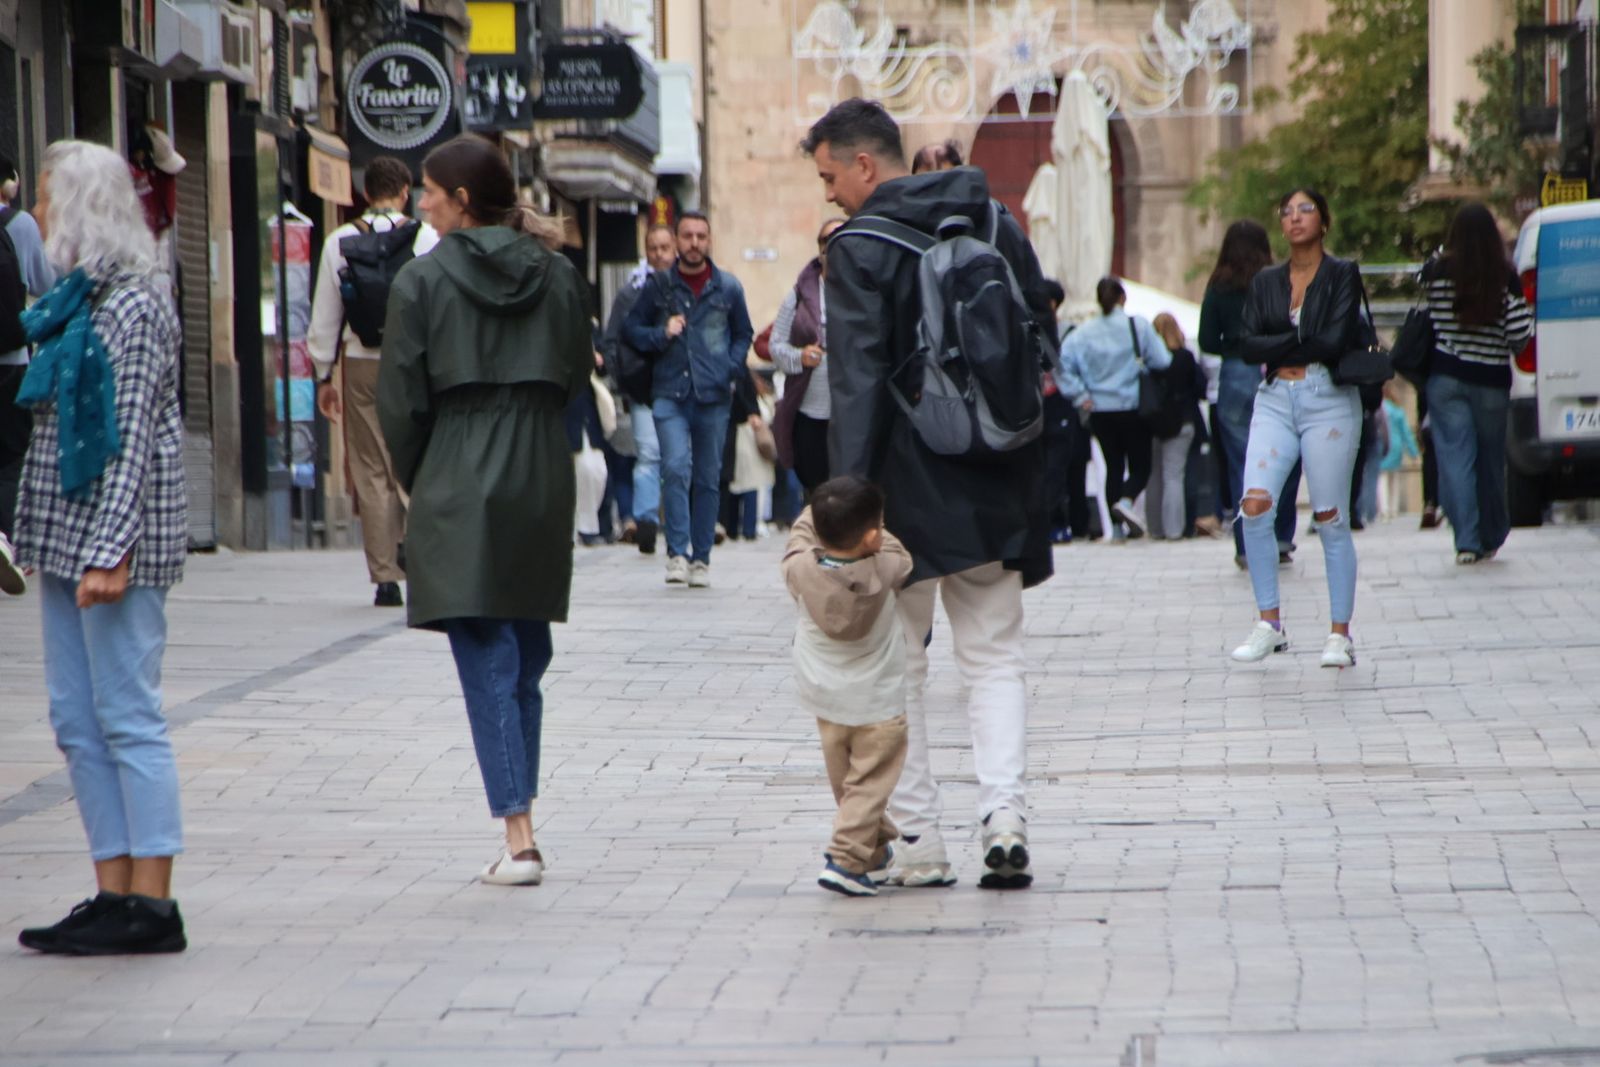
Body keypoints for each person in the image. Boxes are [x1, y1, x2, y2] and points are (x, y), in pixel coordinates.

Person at [803, 98, 1058, 889]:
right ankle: (1005, 815)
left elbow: (858, 389)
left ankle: (920, 840)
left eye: (830, 176)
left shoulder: (860, 247)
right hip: (997, 474)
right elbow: (1040, 340)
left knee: (897, 666)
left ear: (865, 166)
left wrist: (845, 514)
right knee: (995, 656)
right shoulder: (992, 218)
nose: (829, 195)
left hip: (902, 495)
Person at [377, 134, 591, 886]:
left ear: (462, 200)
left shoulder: (421, 281)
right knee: (526, 655)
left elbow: (399, 402)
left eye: (430, 190)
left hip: (460, 468)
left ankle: (519, 834)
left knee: (488, 657)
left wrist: (419, 477)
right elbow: (571, 381)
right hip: (539, 468)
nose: (420, 200)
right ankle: (521, 822)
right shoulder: (559, 276)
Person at [13, 141, 188, 954]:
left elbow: (134, 441)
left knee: (127, 716)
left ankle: (153, 904)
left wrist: (111, 551)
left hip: (117, 539)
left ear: (80, 208)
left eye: (48, 200)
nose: (38, 213)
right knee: (76, 721)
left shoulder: (137, 305)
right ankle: (112, 889)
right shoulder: (78, 299)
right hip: (61, 534)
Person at [1230, 187, 1365, 669]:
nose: (1294, 218)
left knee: (1329, 516)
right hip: (1275, 400)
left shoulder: (1341, 273)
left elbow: (1334, 340)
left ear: (1324, 221)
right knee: (1254, 506)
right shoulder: (1266, 281)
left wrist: (1279, 342)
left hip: (1326, 399)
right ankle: (1269, 622)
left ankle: (1339, 633)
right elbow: (1247, 345)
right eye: (1285, 211)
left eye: (1305, 209)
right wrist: (1298, 341)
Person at [307, 156, 439, 608]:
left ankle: (385, 578)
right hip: (413, 362)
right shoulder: (426, 237)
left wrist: (323, 374)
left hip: (360, 362)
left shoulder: (339, 240)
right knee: (415, 460)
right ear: (406, 192)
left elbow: (325, 316)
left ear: (365, 194)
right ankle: (422, 562)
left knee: (370, 466)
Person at [781, 476, 913, 897]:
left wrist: (821, 512)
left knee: (849, 784)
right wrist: (871, 530)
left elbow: (801, 536)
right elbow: (897, 552)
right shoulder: (887, 563)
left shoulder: (800, 568)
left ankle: (874, 852)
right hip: (878, 703)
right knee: (869, 783)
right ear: (874, 536)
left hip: (824, 695)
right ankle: (845, 858)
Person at [624, 212, 755, 589]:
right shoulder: (660, 286)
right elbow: (632, 329)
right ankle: (677, 554)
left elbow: (743, 334)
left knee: (708, 477)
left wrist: (729, 368)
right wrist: (660, 334)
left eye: (701, 236)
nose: (694, 242)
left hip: (713, 395)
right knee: (676, 467)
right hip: (670, 391)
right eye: (687, 235)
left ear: (709, 240)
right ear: (678, 241)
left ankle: (701, 558)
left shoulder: (727, 287)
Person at [1419, 202, 1533, 565]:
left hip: (1445, 377)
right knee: (1489, 461)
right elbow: (1519, 333)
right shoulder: (1505, 275)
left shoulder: (1436, 273)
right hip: (1490, 382)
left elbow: (1427, 317)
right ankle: (1491, 533)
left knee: (1454, 460)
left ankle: (1466, 539)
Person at [1199, 219, 1301, 568]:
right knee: (1285, 454)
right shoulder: (1277, 280)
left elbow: (1206, 341)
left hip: (1236, 372)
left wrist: (1235, 342)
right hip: (1274, 367)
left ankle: (1246, 545)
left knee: (1242, 462)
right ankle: (1281, 535)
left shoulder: (1219, 286)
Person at [1056, 276, 1173, 539]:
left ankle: (1117, 528)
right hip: (1133, 406)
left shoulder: (1083, 333)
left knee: (1113, 466)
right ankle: (1127, 501)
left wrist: (1079, 394)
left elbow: (1062, 366)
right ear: (1123, 298)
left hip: (1099, 408)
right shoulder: (1138, 326)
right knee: (1141, 465)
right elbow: (1163, 361)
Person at [0, 155, 59, 589]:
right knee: (11, 455)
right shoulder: (20, 225)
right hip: (11, 358)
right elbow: (44, 283)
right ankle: (9, 541)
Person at [601, 223, 677, 554]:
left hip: (682, 388)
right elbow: (613, 338)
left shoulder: (688, 288)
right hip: (645, 388)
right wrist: (625, 380)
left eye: (664, 247)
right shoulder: (632, 291)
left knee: (678, 458)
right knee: (648, 453)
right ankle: (646, 520)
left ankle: (678, 521)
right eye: (653, 247)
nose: (659, 253)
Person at [770, 218, 846, 491]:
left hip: (850, 413)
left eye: (842, 238)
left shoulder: (865, 289)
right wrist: (800, 357)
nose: (834, 247)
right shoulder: (799, 294)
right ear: (820, 249)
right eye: (827, 241)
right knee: (817, 492)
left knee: (847, 493)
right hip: (809, 413)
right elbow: (775, 347)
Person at [1144, 313, 1202, 540]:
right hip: (1182, 420)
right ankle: (1174, 529)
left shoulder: (1150, 361)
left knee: (1154, 476)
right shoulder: (1185, 357)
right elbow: (1200, 387)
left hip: (1153, 421)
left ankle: (1155, 528)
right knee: (1173, 475)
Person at [1378, 382, 1420, 520]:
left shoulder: (1379, 409)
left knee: (1382, 478)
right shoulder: (1397, 410)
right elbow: (1406, 433)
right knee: (1394, 478)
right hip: (1396, 445)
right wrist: (1413, 452)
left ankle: (1384, 509)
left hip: (1383, 444)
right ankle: (1393, 509)